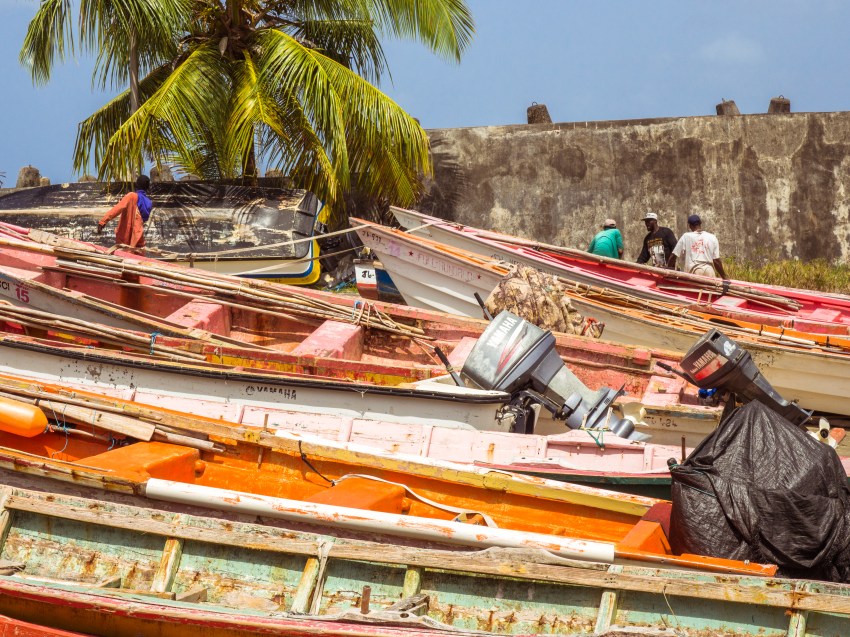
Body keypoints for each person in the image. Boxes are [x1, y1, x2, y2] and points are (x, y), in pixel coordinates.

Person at [96, 174, 152, 251]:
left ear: (136, 184)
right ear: (147, 187)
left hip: (126, 239)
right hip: (139, 238)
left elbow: (117, 208)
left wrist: (102, 221)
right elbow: (144, 219)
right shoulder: (149, 202)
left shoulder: (131, 196)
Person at [667, 214, 728, 279]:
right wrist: (724, 276)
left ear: (690, 225)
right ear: (700, 224)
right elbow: (716, 261)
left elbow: (674, 256)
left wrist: (667, 270)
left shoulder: (686, 236)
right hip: (709, 271)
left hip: (694, 271)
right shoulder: (712, 237)